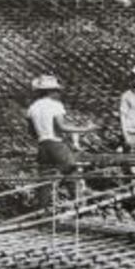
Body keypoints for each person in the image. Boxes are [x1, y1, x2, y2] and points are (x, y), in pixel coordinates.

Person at [26, 75, 97, 203]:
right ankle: (78, 203)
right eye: (56, 91)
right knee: (72, 171)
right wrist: (86, 129)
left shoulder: (32, 108)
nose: (58, 93)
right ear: (50, 91)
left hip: (43, 146)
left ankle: (43, 208)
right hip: (56, 144)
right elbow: (62, 126)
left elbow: (31, 132)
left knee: (45, 178)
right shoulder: (55, 105)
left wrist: (43, 134)